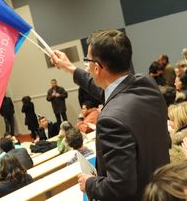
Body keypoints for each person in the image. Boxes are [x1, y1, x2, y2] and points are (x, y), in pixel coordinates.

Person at [51, 29, 169, 200]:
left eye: (87, 61)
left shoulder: (111, 120)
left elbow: (120, 187)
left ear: (97, 68)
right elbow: (106, 89)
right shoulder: (146, 84)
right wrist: (69, 68)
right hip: (160, 189)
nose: (88, 66)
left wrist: (89, 183)